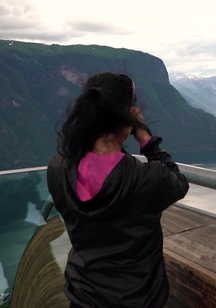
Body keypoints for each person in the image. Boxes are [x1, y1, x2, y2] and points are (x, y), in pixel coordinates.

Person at [46, 72, 189, 308]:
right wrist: (145, 137)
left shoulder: (57, 169)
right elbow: (178, 181)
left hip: (84, 297)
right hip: (139, 300)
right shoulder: (146, 179)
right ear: (129, 117)